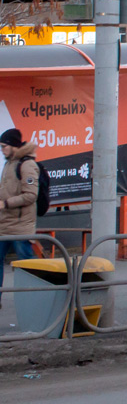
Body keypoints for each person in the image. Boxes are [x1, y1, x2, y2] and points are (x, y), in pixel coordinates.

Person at [0, 129, 39, 310]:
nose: (2, 150)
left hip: (21, 226)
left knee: (26, 264)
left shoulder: (26, 165)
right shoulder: (9, 163)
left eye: (4, 146)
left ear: (14, 146)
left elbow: (31, 195)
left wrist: (6, 204)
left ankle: (33, 301)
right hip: (4, 225)